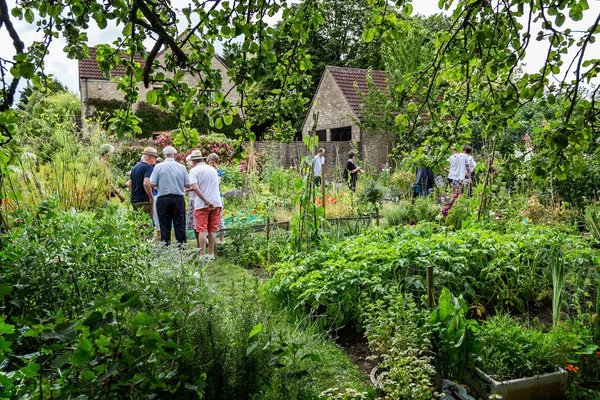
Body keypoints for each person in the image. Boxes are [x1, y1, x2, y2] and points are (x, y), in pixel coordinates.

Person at [150, 146, 190, 246]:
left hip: (163, 198)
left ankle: (166, 246)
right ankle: (181, 247)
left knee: (164, 224)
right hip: (178, 198)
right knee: (180, 224)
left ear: (164, 155)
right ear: (174, 155)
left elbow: (152, 183)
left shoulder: (158, 167)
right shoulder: (181, 167)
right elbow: (187, 184)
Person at [189, 150, 223, 256]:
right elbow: (210, 185)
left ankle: (202, 255)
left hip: (202, 204)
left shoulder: (194, 171)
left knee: (202, 229)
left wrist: (206, 201)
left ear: (194, 161)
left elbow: (195, 187)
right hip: (216, 202)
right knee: (212, 229)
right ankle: (211, 254)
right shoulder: (212, 169)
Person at [130, 147, 158, 218]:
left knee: (138, 223)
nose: (156, 159)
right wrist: (151, 197)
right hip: (144, 200)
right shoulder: (149, 167)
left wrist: (134, 193)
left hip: (134, 200)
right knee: (146, 224)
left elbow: (129, 184)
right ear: (149, 157)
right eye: (155, 157)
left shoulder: (135, 167)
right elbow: (146, 183)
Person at [207, 153, 225, 244]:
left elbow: (217, 182)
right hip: (208, 197)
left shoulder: (218, 172)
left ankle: (222, 238)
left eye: (213, 163)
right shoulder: (206, 171)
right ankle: (209, 238)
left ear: (216, 162)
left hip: (218, 197)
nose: (211, 165)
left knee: (220, 218)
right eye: (210, 163)